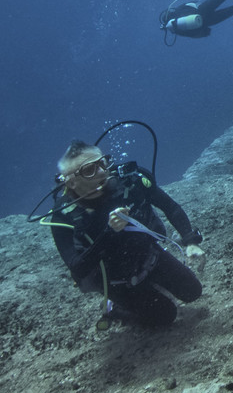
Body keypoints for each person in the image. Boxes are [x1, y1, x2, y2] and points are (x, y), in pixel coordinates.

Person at [45, 141, 205, 329]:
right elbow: (77, 268)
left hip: (149, 257)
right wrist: (109, 233)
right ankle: (117, 309)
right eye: (90, 170)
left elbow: (170, 207)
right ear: (71, 181)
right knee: (165, 316)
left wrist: (191, 241)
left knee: (193, 291)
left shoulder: (132, 181)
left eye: (103, 163)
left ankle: (152, 285)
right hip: (115, 281)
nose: (102, 172)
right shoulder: (65, 216)